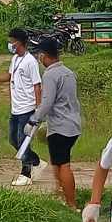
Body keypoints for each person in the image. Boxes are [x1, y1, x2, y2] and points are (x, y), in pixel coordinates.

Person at [29, 36, 83, 209]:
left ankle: (71, 204)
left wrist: (33, 120)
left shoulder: (50, 74)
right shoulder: (68, 72)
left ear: (44, 55)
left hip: (60, 127)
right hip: (72, 125)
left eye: (39, 55)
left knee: (63, 164)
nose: (39, 58)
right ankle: (61, 193)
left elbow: (47, 103)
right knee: (57, 162)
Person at [0, 27, 43, 187]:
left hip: (27, 108)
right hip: (15, 108)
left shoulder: (30, 62)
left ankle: (26, 173)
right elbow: (9, 76)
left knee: (23, 141)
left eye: (11, 41)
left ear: (19, 42)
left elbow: (37, 85)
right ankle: (35, 161)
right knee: (13, 139)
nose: (9, 44)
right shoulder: (15, 59)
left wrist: (38, 109)